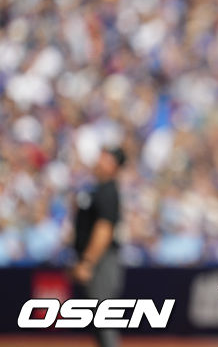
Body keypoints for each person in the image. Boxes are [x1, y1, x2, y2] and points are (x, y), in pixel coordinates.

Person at [71, 147, 126, 347]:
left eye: (105, 157)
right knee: (99, 320)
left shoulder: (108, 191)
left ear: (114, 165)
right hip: (98, 260)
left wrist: (87, 262)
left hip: (102, 261)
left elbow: (104, 230)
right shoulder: (97, 189)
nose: (99, 160)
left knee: (104, 319)